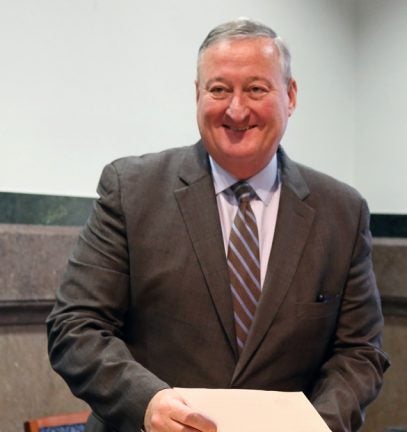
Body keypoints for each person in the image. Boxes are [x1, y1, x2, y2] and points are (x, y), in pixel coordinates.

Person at [47, 18, 389, 432]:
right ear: (197, 94)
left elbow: (359, 352)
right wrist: (147, 403)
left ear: (291, 95)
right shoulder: (131, 190)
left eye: (256, 89)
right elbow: (76, 328)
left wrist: (316, 425)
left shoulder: (342, 212)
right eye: (219, 89)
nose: (237, 109)